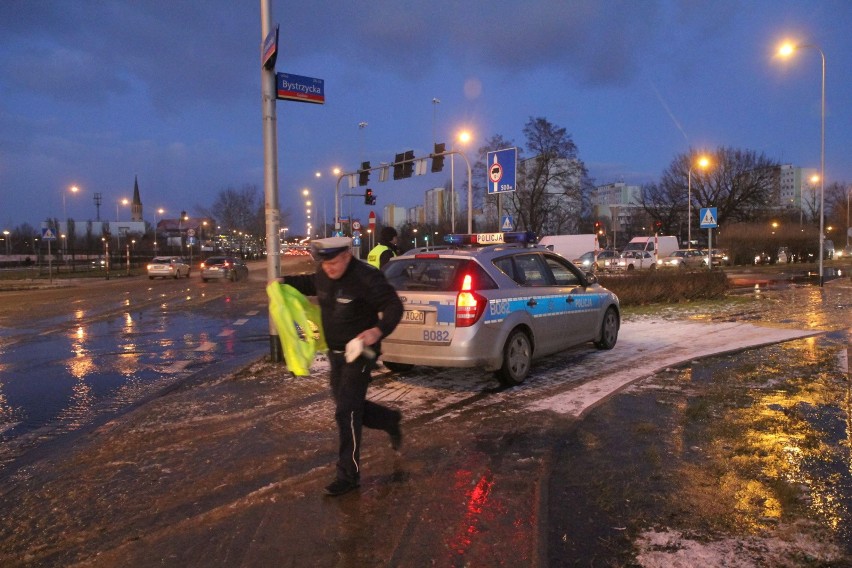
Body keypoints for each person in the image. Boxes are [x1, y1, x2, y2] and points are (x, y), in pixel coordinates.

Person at [311, 236, 404, 496]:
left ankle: (348, 476)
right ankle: (389, 419)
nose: (329, 269)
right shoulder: (323, 272)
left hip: (362, 351)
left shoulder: (366, 277)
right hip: (336, 352)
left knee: (347, 412)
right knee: (348, 407)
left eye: (334, 262)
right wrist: (282, 282)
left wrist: (378, 330)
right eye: (325, 263)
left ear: (347, 255)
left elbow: (394, 305)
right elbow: (311, 282)